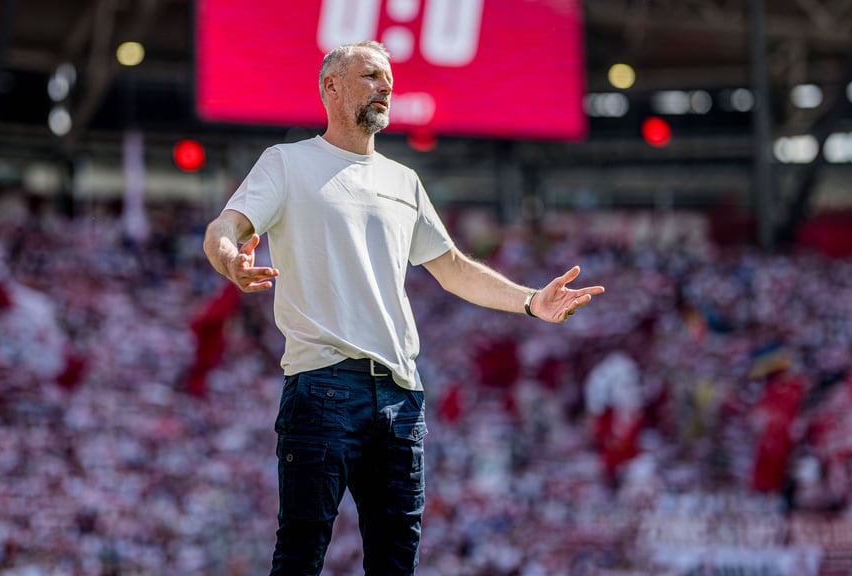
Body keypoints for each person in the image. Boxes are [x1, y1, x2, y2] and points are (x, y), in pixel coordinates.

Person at [203, 40, 605, 576]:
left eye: (389, 78)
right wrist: (230, 258)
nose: (385, 86)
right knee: (300, 557)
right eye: (370, 75)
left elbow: (455, 268)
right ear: (331, 87)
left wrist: (532, 302)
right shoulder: (286, 163)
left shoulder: (404, 181)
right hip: (322, 387)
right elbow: (224, 228)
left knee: (396, 566)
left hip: (400, 398)